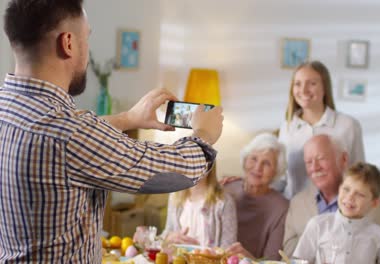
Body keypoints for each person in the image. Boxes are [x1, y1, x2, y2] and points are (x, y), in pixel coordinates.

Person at [0, 1, 223, 262]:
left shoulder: (11, 109)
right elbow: (173, 173)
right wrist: (204, 136)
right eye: (87, 38)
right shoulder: (69, 134)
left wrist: (128, 118)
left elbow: (59, 136)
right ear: (68, 43)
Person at [283, 135, 380, 263]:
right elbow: (293, 259)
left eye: (321, 158)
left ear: (343, 159)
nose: (315, 167)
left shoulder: (379, 232)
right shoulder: (311, 218)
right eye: (309, 162)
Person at [274, 60, 365, 199]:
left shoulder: (348, 125)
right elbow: (281, 178)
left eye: (312, 83)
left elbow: (360, 175)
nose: (303, 90)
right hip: (294, 209)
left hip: (335, 211)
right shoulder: (287, 128)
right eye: (298, 84)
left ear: (325, 88)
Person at [293, 162, 380, 264]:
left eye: (359, 194)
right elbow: (297, 262)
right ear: (339, 189)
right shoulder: (318, 225)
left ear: (374, 203)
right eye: (346, 189)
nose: (350, 197)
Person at [223, 133, 289, 260]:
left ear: (276, 171)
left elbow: (271, 260)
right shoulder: (226, 188)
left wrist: (247, 259)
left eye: (267, 163)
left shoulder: (281, 208)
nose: (258, 167)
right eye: (253, 159)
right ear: (245, 160)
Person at [161, 164, 237, 248]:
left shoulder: (224, 201)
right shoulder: (175, 195)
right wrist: (169, 238)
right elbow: (166, 233)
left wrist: (199, 252)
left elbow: (228, 249)